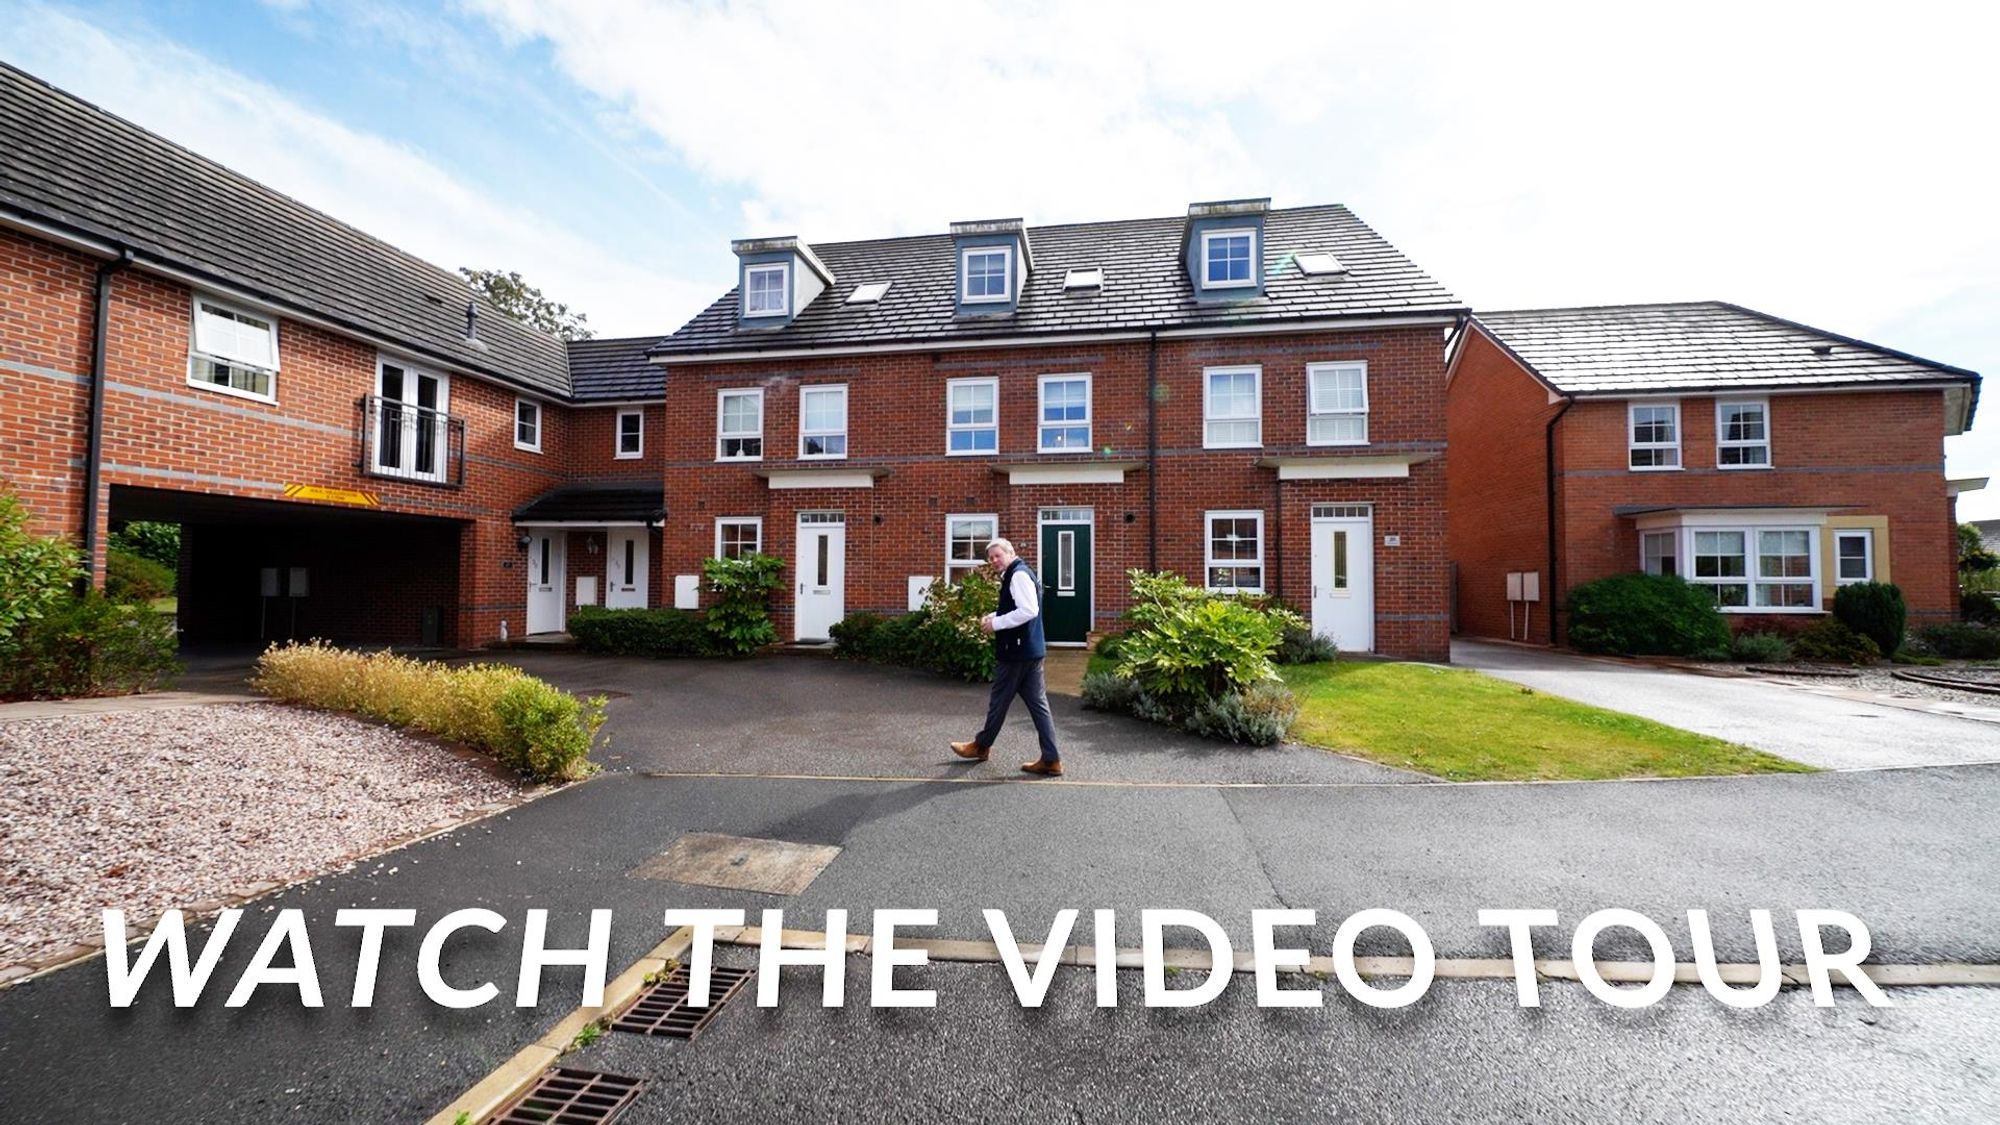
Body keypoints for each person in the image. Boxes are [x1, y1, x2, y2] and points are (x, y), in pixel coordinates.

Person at [950, 537, 1064, 776]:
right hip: (1030, 651)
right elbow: (1018, 607)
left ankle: (981, 746)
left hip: (1016, 652)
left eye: (997, 555)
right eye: (990, 557)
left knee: (999, 702)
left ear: (1010, 553)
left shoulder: (1018, 575)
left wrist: (997, 624)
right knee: (1038, 706)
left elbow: (1029, 610)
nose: (993, 560)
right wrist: (994, 616)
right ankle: (1051, 759)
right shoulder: (1019, 573)